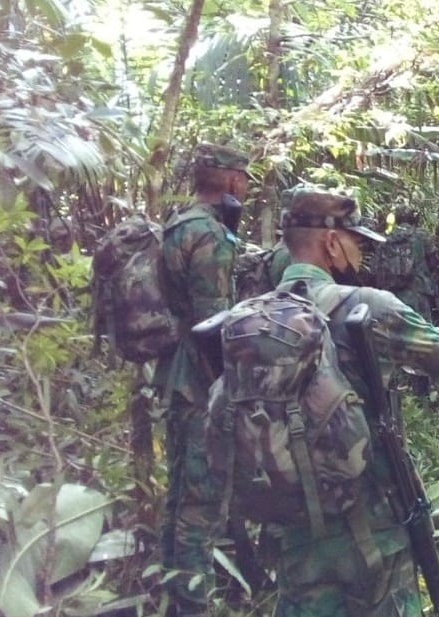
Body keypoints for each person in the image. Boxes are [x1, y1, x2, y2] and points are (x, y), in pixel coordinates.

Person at [274, 186, 439, 616]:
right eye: (356, 241)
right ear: (332, 242)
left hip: (285, 516)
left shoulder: (248, 317)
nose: (361, 254)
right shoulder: (365, 306)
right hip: (367, 509)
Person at [155, 143, 250, 617]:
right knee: (201, 501)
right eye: (245, 179)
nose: (246, 188)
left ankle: (173, 592)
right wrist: (228, 390)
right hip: (201, 380)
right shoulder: (210, 235)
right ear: (232, 181)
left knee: (180, 494)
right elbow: (213, 323)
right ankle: (193, 604)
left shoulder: (178, 223)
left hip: (177, 372)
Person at [375, 204, 436, 320]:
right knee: (422, 328)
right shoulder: (422, 235)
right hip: (418, 290)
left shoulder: (384, 238)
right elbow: (432, 261)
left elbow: (376, 267)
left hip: (390, 293)